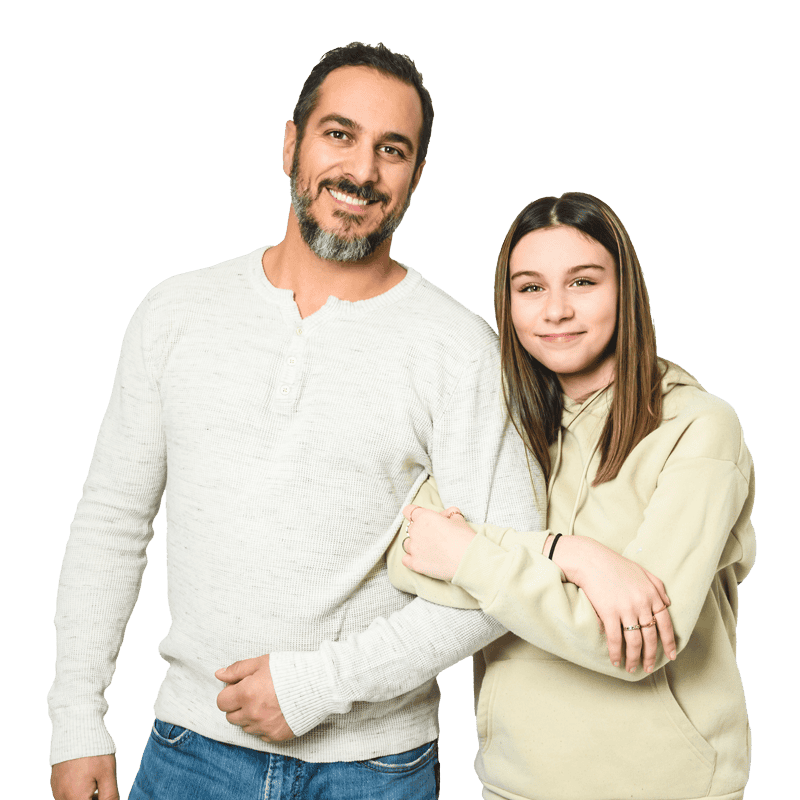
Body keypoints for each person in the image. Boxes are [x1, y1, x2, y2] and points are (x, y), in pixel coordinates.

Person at [48, 42, 552, 800]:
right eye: (339, 134)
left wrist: (319, 684)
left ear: (416, 175)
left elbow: (506, 580)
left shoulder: (459, 350)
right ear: (291, 144)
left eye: (392, 150)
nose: (361, 171)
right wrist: (77, 720)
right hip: (189, 752)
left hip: (375, 769)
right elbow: (112, 523)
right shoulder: (176, 313)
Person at [389, 192, 756, 800]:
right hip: (514, 783)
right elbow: (411, 552)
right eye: (530, 288)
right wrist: (570, 553)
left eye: (582, 282)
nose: (556, 310)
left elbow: (633, 642)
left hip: (666, 786)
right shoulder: (499, 423)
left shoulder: (699, 428)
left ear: (625, 290)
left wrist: (470, 557)